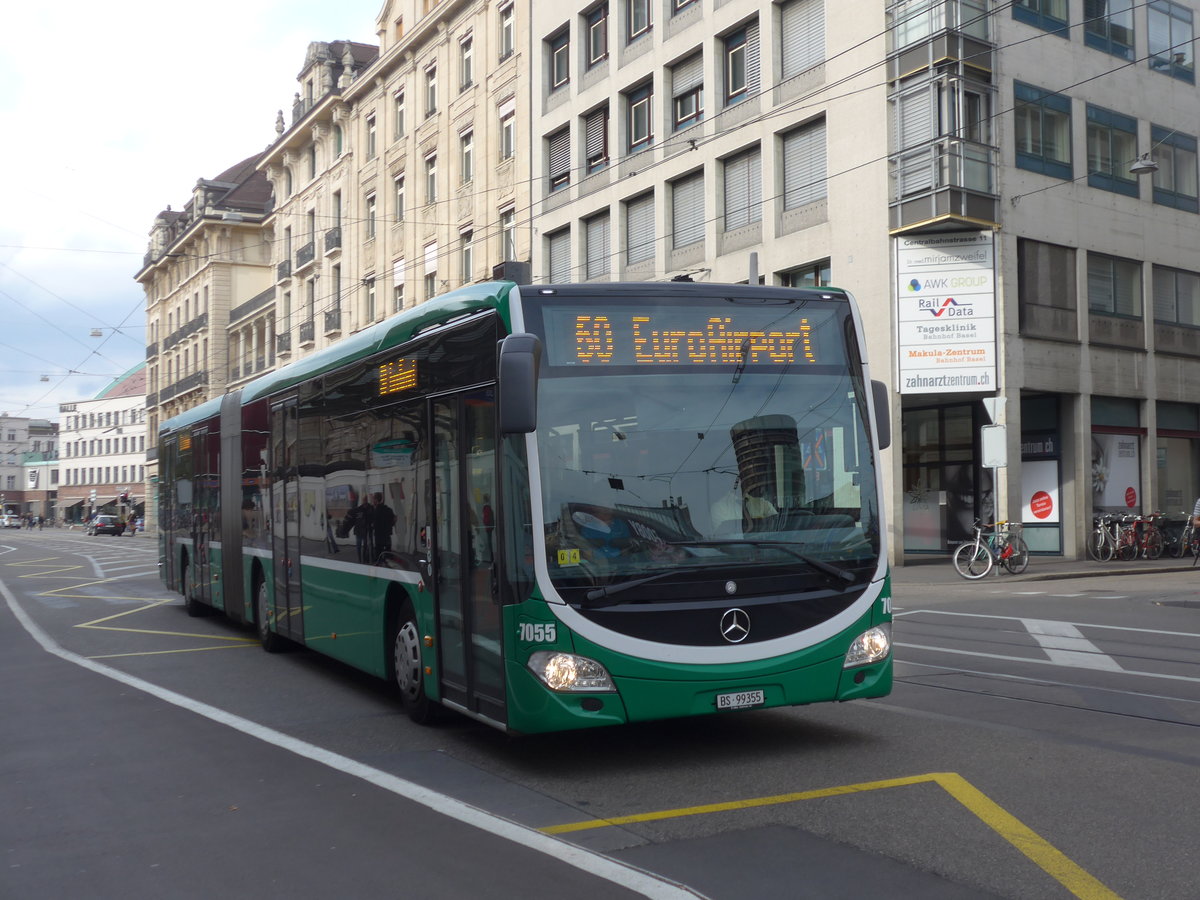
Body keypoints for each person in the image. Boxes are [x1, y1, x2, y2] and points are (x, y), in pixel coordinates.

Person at [370, 492, 396, 557]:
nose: (372, 501)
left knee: (378, 553)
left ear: (376, 500)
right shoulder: (389, 510)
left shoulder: (375, 511)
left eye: (373, 499)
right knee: (388, 553)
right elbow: (393, 521)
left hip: (379, 535)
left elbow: (373, 524)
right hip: (387, 535)